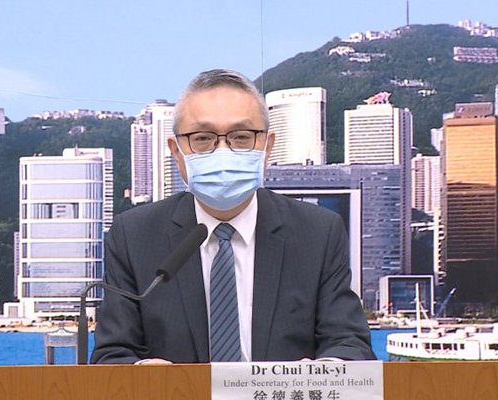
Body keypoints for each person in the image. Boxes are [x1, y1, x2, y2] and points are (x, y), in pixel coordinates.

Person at [91, 69, 376, 364]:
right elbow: (111, 355)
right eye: (203, 138)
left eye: (241, 137)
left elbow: (349, 345)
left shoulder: (318, 232)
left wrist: (322, 374)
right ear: (176, 151)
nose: (223, 151)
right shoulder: (134, 235)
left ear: (267, 146)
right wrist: (143, 375)